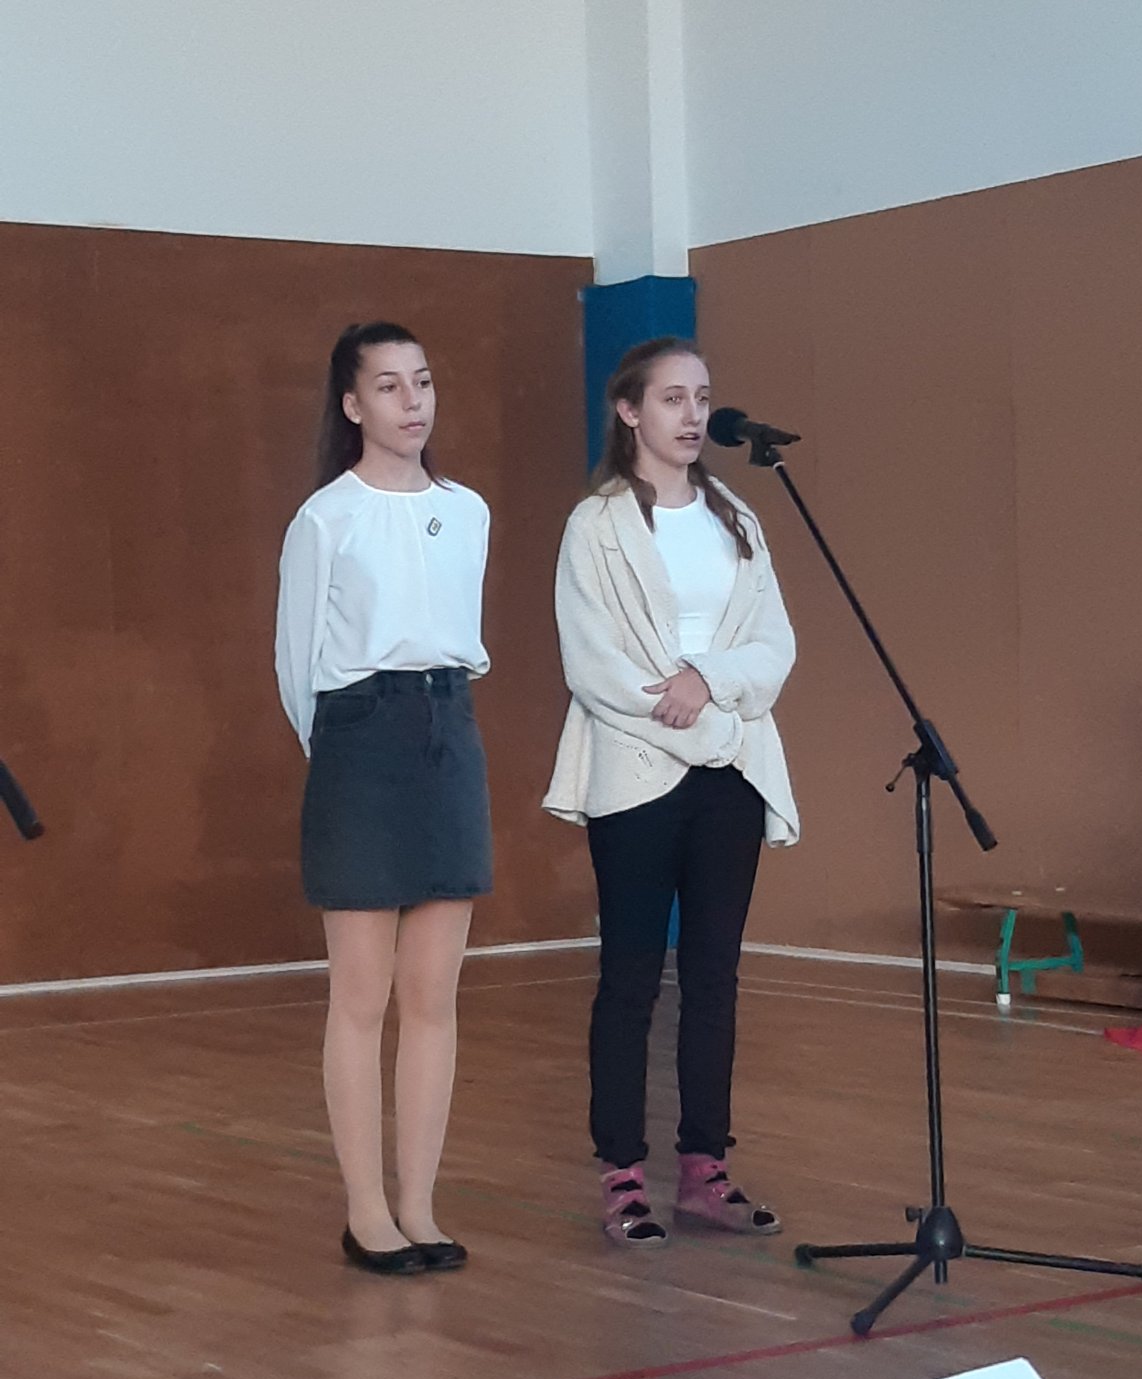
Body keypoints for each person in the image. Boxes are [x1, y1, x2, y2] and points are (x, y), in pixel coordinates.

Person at [543, 336, 799, 1247]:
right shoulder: (596, 525)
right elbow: (596, 666)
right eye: (672, 399)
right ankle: (622, 1174)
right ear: (629, 411)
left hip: (730, 771)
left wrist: (707, 684)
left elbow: (773, 646)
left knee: (714, 976)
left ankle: (704, 1171)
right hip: (637, 771)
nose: (693, 416)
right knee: (630, 977)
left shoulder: (737, 517)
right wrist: (687, 712)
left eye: (701, 397)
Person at [275, 321, 491, 1275]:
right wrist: (344, 753)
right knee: (360, 996)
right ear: (353, 404)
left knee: (433, 994)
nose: (413, 402)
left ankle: (420, 1206)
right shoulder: (326, 517)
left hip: (450, 730)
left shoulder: (468, 511)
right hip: (359, 738)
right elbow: (295, 666)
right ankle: (366, 1212)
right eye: (391, 386)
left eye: (424, 382)